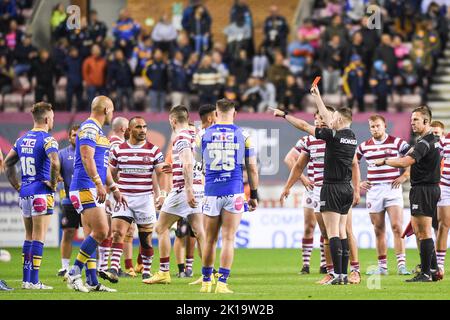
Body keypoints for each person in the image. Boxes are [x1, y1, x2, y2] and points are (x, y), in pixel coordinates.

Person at [273, 84, 359, 285]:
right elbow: (330, 120)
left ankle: (336, 275)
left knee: (332, 233)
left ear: (337, 120)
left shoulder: (332, 135)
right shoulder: (351, 137)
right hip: (347, 187)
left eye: (333, 118)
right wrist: (318, 96)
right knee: (343, 232)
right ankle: (344, 274)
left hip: (331, 187)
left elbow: (304, 126)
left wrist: (285, 115)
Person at [66, 96, 127, 292]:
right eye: (113, 110)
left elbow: (102, 165)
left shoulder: (99, 131)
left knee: (92, 235)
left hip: (92, 186)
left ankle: (92, 281)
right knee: (102, 231)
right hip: (85, 186)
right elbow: (86, 157)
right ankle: (74, 272)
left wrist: (114, 188)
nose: (113, 114)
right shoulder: (89, 128)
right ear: (106, 109)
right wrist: (98, 183)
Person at [374, 106, 442, 282]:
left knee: (423, 232)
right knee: (421, 231)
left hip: (423, 189)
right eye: (411, 120)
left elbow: (407, 161)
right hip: (428, 188)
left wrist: (385, 161)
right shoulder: (431, 140)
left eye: (416, 120)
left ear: (426, 121)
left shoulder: (424, 142)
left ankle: (426, 273)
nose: (412, 123)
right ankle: (433, 270)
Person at [198, 99, 259, 294]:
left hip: (211, 192)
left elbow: (195, 164)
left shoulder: (202, 134)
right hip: (234, 191)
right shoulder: (244, 135)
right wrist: (254, 194)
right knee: (229, 239)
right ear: (234, 114)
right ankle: (222, 283)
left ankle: (206, 282)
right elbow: (252, 168)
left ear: (216, 114)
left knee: (209, 239)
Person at [143, 105, 206, 285]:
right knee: (199, 232)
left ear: (173, 120)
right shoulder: (196, 136)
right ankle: (207, 274)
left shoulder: (180, 137)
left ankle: (163, 272)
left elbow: (187, 163)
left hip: (182, 190)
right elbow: (192, 162)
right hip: (199, 187)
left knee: (161, 228)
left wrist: (187, 189)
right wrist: (177, 168)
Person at [4, 102, 60, 289]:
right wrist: (52, 184)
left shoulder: (21, 140)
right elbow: (55, 162)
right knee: (39, 236)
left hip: (25, 192)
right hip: (41, 192)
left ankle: (27, 280)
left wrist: (17, 185)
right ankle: (34, 281)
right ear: (46, 119)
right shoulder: (48, 139)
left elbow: (7, 163)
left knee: (29, 236)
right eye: (52, 118)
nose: (53, 121)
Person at [108, 116, 169, 282]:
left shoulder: (154, 150)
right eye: (138, 127)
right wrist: (109, 194)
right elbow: (110, 174)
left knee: (145, 239)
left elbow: (161, 173)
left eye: (144, 127)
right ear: (129, 130)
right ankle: (113, 268)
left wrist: (161, 194)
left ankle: (146, 270)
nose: (142, 130)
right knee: (117, 233)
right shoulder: (118, 150)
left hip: (145, 199)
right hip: (124, 198)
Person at [357, 114, 411, 276]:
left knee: (397, 226)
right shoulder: (364, 146)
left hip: (392, 189)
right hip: (374, 191)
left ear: (384, 126)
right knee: (378, 229)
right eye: (372, 127)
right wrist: (359, 182)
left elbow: (413, 158)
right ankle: (382, 267)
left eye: (378, 126)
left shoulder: (397, 142)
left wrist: (404, 176)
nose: (375, 129)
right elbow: (352, 163)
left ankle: (401, 265)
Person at [282, 111, 327, 275]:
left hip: (328, 189)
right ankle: (306, 265)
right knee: (309, 226)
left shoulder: (332, 139)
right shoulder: (307, 140)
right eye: (316, 119)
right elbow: (289, 159)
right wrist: (303, 178)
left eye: (321, 118)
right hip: (312, 189)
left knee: (325, 229)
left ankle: (324, 264)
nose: (318, 122)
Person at [97, 117, 131, 280]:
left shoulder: (107, 142)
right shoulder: (118, 145)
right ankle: (104, 267)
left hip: (108, 190)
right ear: (124, 129)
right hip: (111, 191)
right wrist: (112, 188)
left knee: (111, 231)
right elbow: (111, 171)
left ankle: (106, 266)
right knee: (112, 231)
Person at [57, 125, 81, 277]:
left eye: (79, 135)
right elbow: (54, 172)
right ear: (69, 137)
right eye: (74, 135)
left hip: (88, 200)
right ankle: (65, 266)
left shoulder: (89, 153)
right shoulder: (62, 154)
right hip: (68, 201)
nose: (76, 138)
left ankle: (98, 266)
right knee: (68, 232)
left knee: (94, 233)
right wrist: (57, 177)